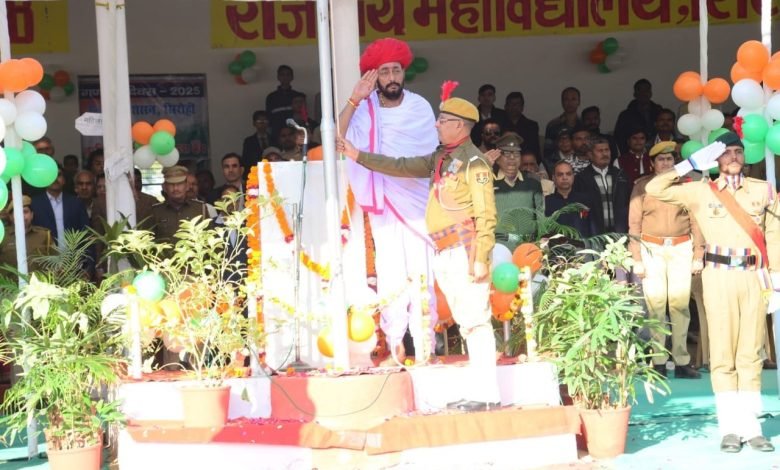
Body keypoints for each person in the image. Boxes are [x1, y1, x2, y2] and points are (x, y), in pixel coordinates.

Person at [338, 88, 501, 412]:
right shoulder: (441, 158)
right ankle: (479, 391)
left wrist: (481, 257)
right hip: (444, 249)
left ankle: (487, 395)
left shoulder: (475, 164)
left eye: (443, 120)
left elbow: (486, 214)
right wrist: (359, 156)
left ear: (459, 125)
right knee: (467, 322)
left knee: (475, 321)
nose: (436, 124)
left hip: (465, 250)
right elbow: (401, 165)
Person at [646, 131, 778, 453]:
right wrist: (688, 164)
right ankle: (730, 428)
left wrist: (775, 277)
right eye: (726, 152)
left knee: (750, 353)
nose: (733, 157)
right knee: (722, 354)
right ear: (715, 159)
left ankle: (751, 427)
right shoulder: (700, 190)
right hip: (718, 277)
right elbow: (654, 189)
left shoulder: (762, 190)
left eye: (737, 151)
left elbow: (774, 233)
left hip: (753, 277)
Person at [338, 37, 439, 365]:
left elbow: (427, 157)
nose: (392, 77)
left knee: (422, 272)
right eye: (384, 72)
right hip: (384, 200)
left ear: (404, 72)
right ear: (374, 76)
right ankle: (395, 343)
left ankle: (426, 343)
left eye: (396, 70)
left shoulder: (420, 107)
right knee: (391, 272)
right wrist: (354, 99)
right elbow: (338, 136)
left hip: (417, 200)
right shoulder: (365, 109)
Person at [628, 141, 703, 380]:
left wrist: (698, 254)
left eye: (670, 159)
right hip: (652, 248)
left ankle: (681, 361)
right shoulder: (642, 186)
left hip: (681, 247)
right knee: (656, 305)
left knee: (680, 305)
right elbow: (634, 225)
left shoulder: (686, 186)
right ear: (652, 164)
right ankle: (658, 361)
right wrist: (637, 258)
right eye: (661, 159)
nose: (666, 163)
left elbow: (696, 222)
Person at [493, 132, 544, 250]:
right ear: (498, 159)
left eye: (516, 154)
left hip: (528, 246)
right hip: (499, 246)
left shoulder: (533, 183)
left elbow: (541, 216)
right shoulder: (490, 183)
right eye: (506, 154)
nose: (512, 158)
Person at [573, 135, 632, 234]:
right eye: (600, 151)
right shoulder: (582, 178)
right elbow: (580, 209)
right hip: (595, 235)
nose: (605, 154)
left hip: (620, 232)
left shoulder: (620, 175)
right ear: (590, 154)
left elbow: (628, 203)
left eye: (607, 150)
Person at [151, 166, 208, 245]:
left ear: (187, 186)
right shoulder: (156, 211)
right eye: (171, 184)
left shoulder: (200, 208)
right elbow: (148, 242)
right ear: (164, 187)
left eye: (179, 184)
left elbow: (209, 238)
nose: (175, 188)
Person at [0, 195, 53, 272]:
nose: (22, 216)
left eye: (25, 212)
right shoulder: (2, 236)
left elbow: (56, 264)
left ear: (32, 215)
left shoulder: (44, 235)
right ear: (11, 217)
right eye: (17, 212)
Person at [545, 160, 595, 238]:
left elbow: (593, 229)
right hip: (556, 245)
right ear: (553, 178)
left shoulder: (585, 200)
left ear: (573, 177)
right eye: (560, 174)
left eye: (568, 174)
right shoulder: (546, 202)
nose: (564, 178)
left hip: (583, 244)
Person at [265, 65, 301, 142]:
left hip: (294, 133)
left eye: (288, 74)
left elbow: (302, 116)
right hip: (276, 133)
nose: (285, 77)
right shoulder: (271, 97)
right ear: (278, 77)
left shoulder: (298, 96)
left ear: (292, 77)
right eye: (282, 74)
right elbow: (268, 117)